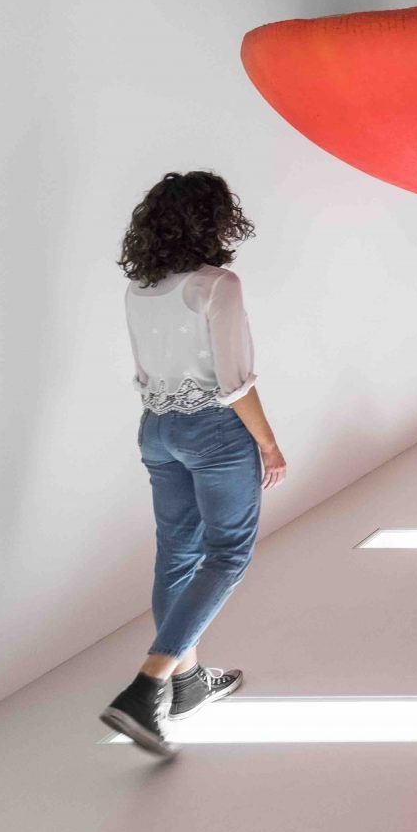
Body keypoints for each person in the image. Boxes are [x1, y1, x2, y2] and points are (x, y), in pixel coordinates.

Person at [100, 172, 286, 757]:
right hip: (214, 431)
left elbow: (145, 372)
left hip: (157, 429)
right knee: (228, 554)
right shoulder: (217, 285)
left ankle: (189, 682)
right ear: (214, 222)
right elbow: (235, 383)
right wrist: (268, 444)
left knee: (177, 556)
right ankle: (147, 684)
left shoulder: (140, 288)